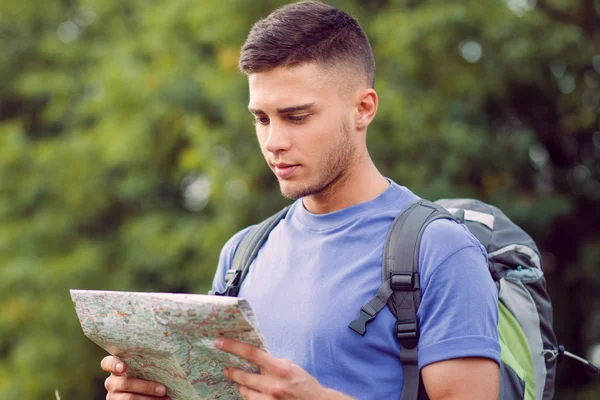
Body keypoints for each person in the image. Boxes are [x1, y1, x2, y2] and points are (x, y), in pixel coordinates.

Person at [101, 1, 501, 399]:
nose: (274, 142)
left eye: (296, 117)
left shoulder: (440, 250)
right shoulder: (240, 256)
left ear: (363, 109)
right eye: (261, 118)